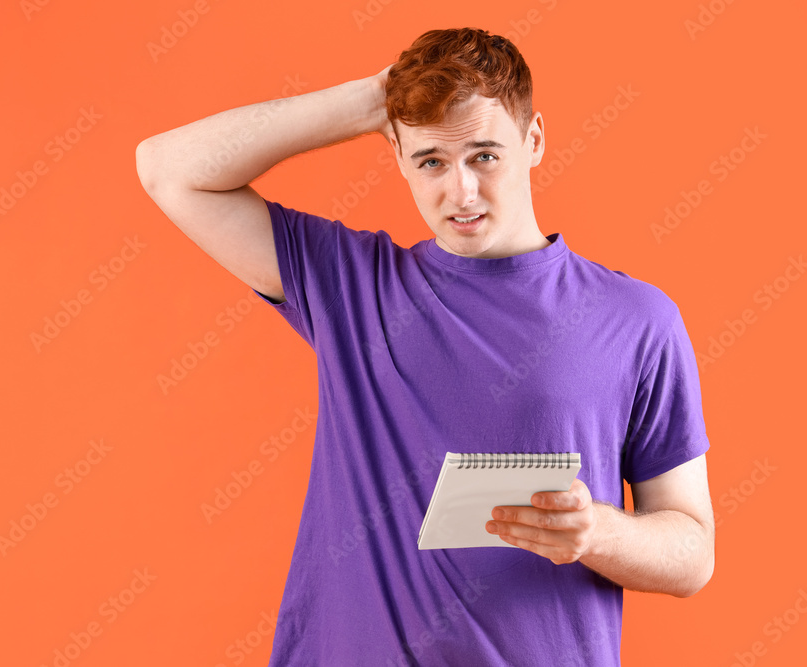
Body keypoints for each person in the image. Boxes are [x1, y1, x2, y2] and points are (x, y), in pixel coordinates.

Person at [136, 27, 714, 666]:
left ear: (535, 141)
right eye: (431, 161)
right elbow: (168, 170)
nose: (460, 193)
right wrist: (368, 102)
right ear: (400, 154)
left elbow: (691, 553)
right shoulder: (353, 285)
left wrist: (598, 531)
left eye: (484, 156)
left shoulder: (637, 320)